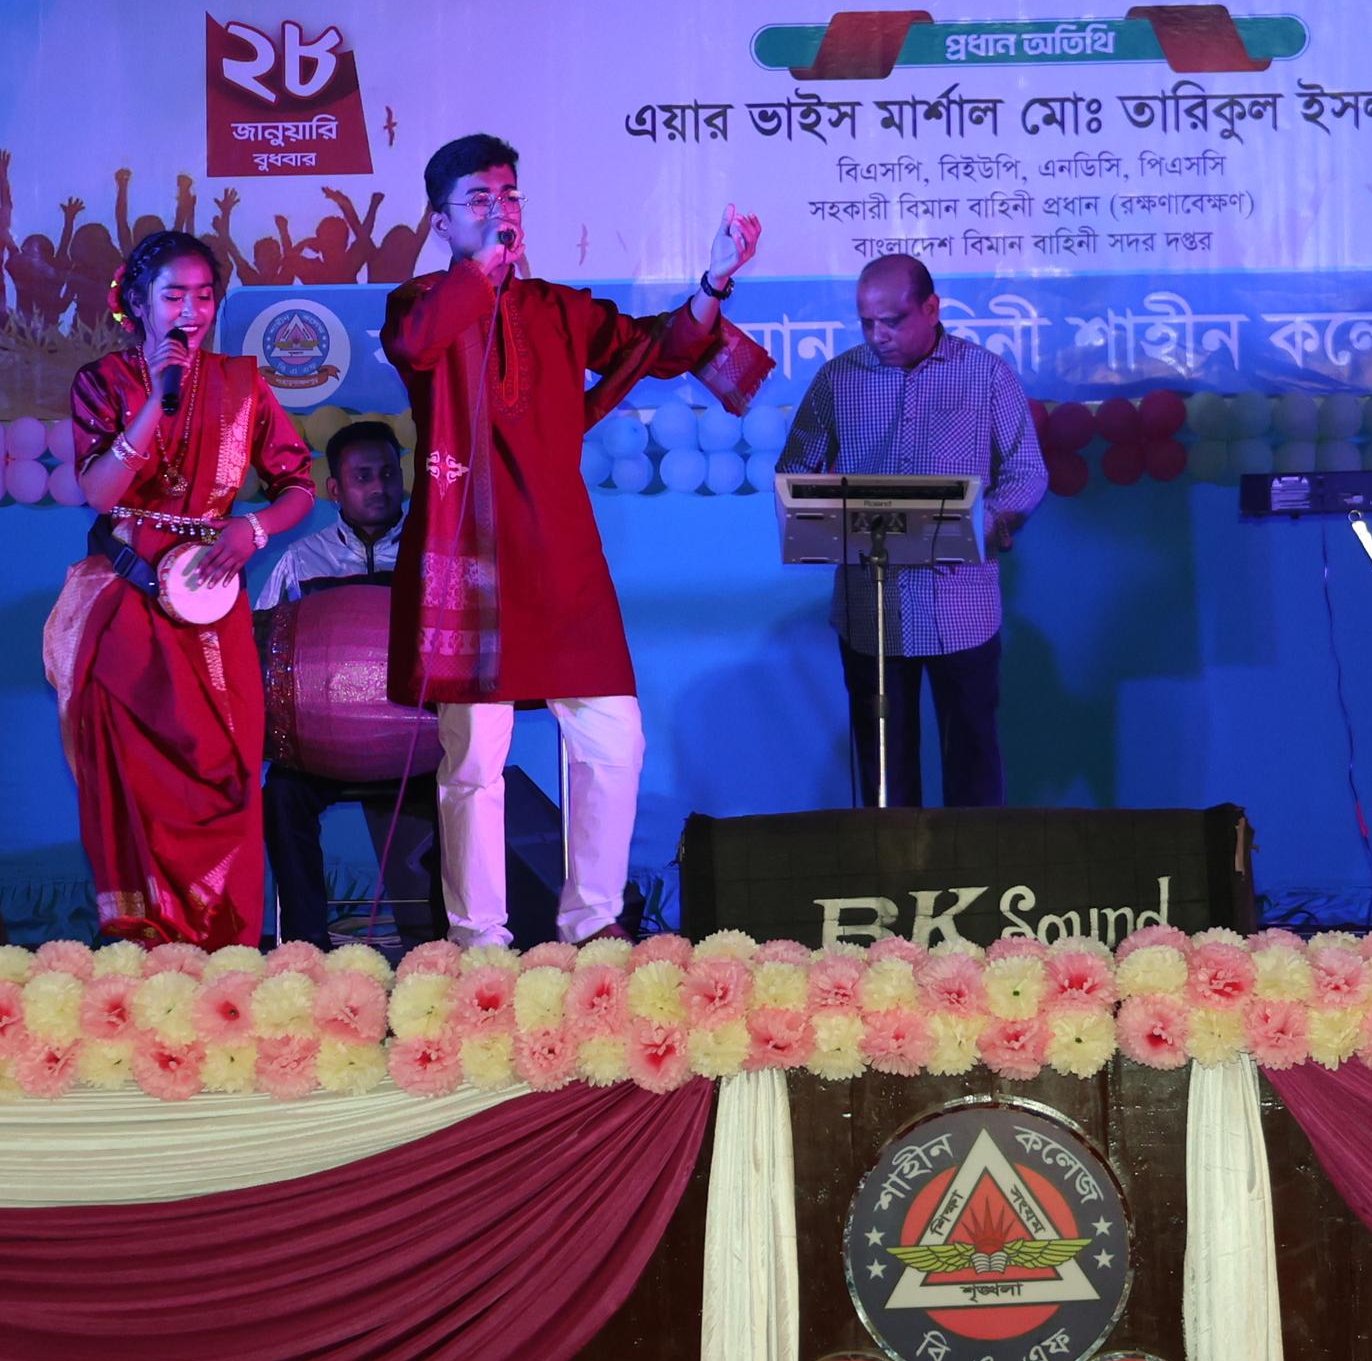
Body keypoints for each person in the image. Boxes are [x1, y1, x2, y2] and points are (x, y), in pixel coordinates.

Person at [382, 133, 769, 949]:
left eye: (509, 196)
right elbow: (418, 346)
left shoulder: (558, 310)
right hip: (470, 559)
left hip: (560, 558)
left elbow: (657, 347)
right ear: (440, 221)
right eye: (480, 200)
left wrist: (713, 280)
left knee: (614, 739)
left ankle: (592, 922)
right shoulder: (417, 303)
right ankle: (478, 941)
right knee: (474, 757)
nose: (501, 211)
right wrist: (480, 272)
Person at [44, 229, 316, 945]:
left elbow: (297, 485)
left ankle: (226, 944)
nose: (191, 311)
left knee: (226, 764)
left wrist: (252, 531)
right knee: (137, 777)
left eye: (203, 296)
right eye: (173, 296)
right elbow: (101, 493)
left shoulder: (243, 385)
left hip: (212, 600)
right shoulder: (104, 382)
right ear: (139, 303)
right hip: (127, 603)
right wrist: (154, 402)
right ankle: (148, 941)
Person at [776, 254, 1049, 806]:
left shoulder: (986, 374)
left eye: (893, 321)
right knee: (884, 776)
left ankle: (975, 859)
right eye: (866, 322)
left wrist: (982, 525)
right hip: (870, 608)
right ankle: (892, 863)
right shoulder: (837, 379)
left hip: (961, 605)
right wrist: (821, 509)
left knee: (973, 770)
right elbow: (796, 471)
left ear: (931, 308)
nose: (878, 335)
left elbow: (1027, 472)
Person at [254, 419, 437, 944]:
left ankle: (451, 941)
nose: (379, 486)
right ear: (335, 488)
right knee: (283, 795)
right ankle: (305, 947)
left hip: (419, 747)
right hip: (322, 750)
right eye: (363, 476)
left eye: (388, 473)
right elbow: (261, 654)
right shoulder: (300, 561)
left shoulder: (432, 553)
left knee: (470, 781)